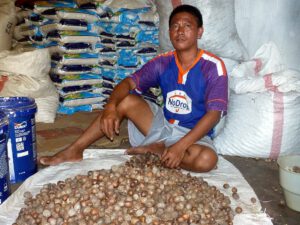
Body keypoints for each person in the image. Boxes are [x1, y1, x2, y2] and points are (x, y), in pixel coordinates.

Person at [39, 4, 228, 173]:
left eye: (187, 26)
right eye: (175, 26)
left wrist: (179, 147)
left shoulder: (212, 66)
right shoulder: (162, 62)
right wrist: (111, 107)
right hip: (164, 126)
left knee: (206, 160)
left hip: (193, 135)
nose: (180, 31)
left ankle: (159, 150)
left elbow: (214, 114)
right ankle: (75, 149)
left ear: (199, 32)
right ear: (169, 32)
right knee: (125, 100)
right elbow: (128, 83)